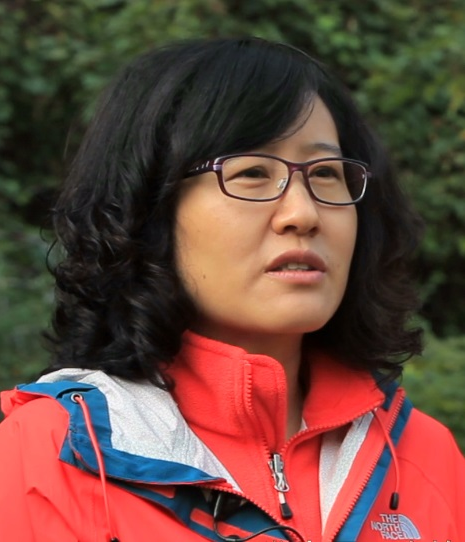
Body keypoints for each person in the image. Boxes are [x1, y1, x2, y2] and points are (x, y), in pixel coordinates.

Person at [0, 37, 463, 542]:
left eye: (326, 174)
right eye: (252, 172)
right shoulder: (45, 456)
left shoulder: (425, 459)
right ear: (148, 209)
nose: (303, 214)